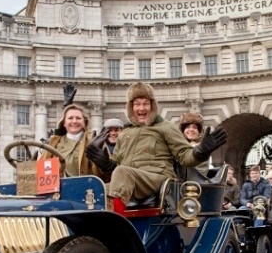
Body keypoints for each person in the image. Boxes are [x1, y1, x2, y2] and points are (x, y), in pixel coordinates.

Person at [84, 82, 227, 209]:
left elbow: (185, 156)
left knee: (122, 172)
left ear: (152, 105)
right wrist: (105, 164)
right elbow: (116, 171)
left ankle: (116, 230)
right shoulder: (125, 134)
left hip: (157, 178)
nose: (141, 108)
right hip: (130, 181)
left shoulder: (166, 127)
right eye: (137, 104)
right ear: (130, 107)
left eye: (145, 103)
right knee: (90, 189)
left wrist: (201, 151)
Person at [40, 103, 101, 178]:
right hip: (61, 188)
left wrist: (104, 165)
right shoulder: (53, 143)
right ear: (64, 123)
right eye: (70, 118)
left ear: (84, 123)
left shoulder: (95, 141)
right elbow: (41, 170)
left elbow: (107, 175)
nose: (74, 121)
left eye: (78, 118)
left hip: (88, 188)